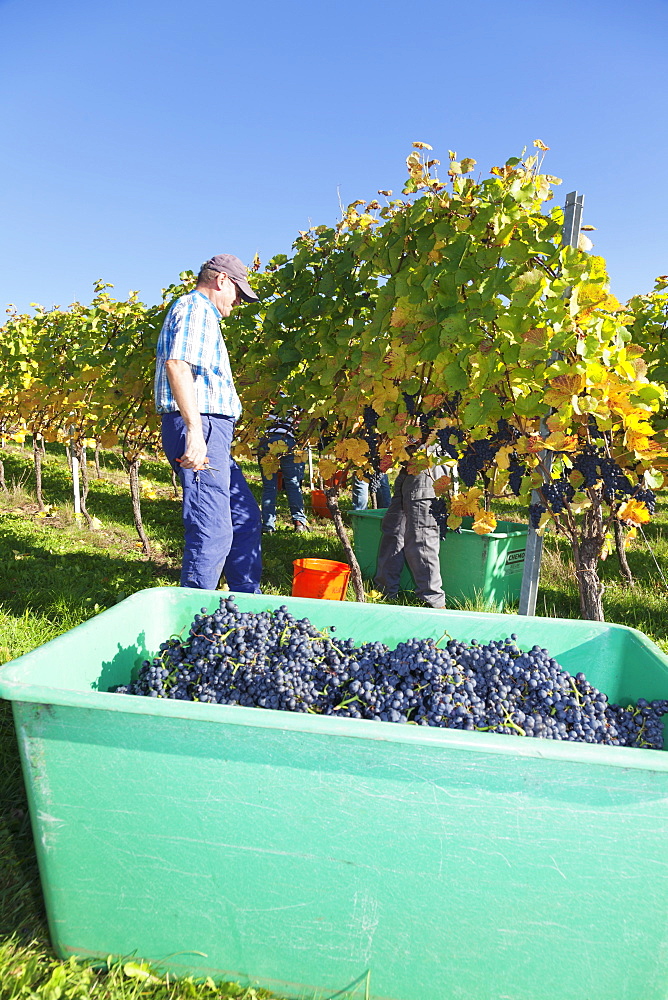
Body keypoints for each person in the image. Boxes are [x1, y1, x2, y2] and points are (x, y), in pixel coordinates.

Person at [154, 253, 262, 593]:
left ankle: (247, 607)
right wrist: (196, 432)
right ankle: (195, 623)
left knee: (244, 521)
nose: (238, 302)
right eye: (239, 293)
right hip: (202, 427)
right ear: (221, 281)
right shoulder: (195, 309)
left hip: (212, 430)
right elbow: (177, 364)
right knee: (212, 528)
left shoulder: (202, 315)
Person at [374, 464, 446, 609]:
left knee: (422, 535)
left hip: (427, 466)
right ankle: (384, 593)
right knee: (394, 530)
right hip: (409, 464)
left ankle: (433, 603)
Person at [258, 400, 309, 533]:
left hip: (266, 440)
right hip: (286, 440)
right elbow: (299, 423)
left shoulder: (269, 395)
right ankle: (299, 523)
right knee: (292, 483)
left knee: (269, 485)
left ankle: (268, 525)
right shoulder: (297, 397)